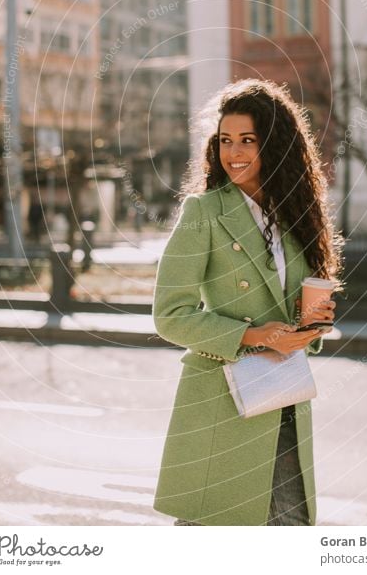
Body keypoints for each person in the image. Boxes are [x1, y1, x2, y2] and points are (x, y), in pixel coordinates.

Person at [152, 78, 344, 526]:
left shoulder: (297, 213)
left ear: (275, 145)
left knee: (288, 527)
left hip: (283, 399)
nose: (233, 152)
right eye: (225, 141)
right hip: (222, 401)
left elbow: (294, 315)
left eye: (247, 140)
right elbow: (170, 315)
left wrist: (311, 325)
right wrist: (255, 335)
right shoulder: (204, 213)